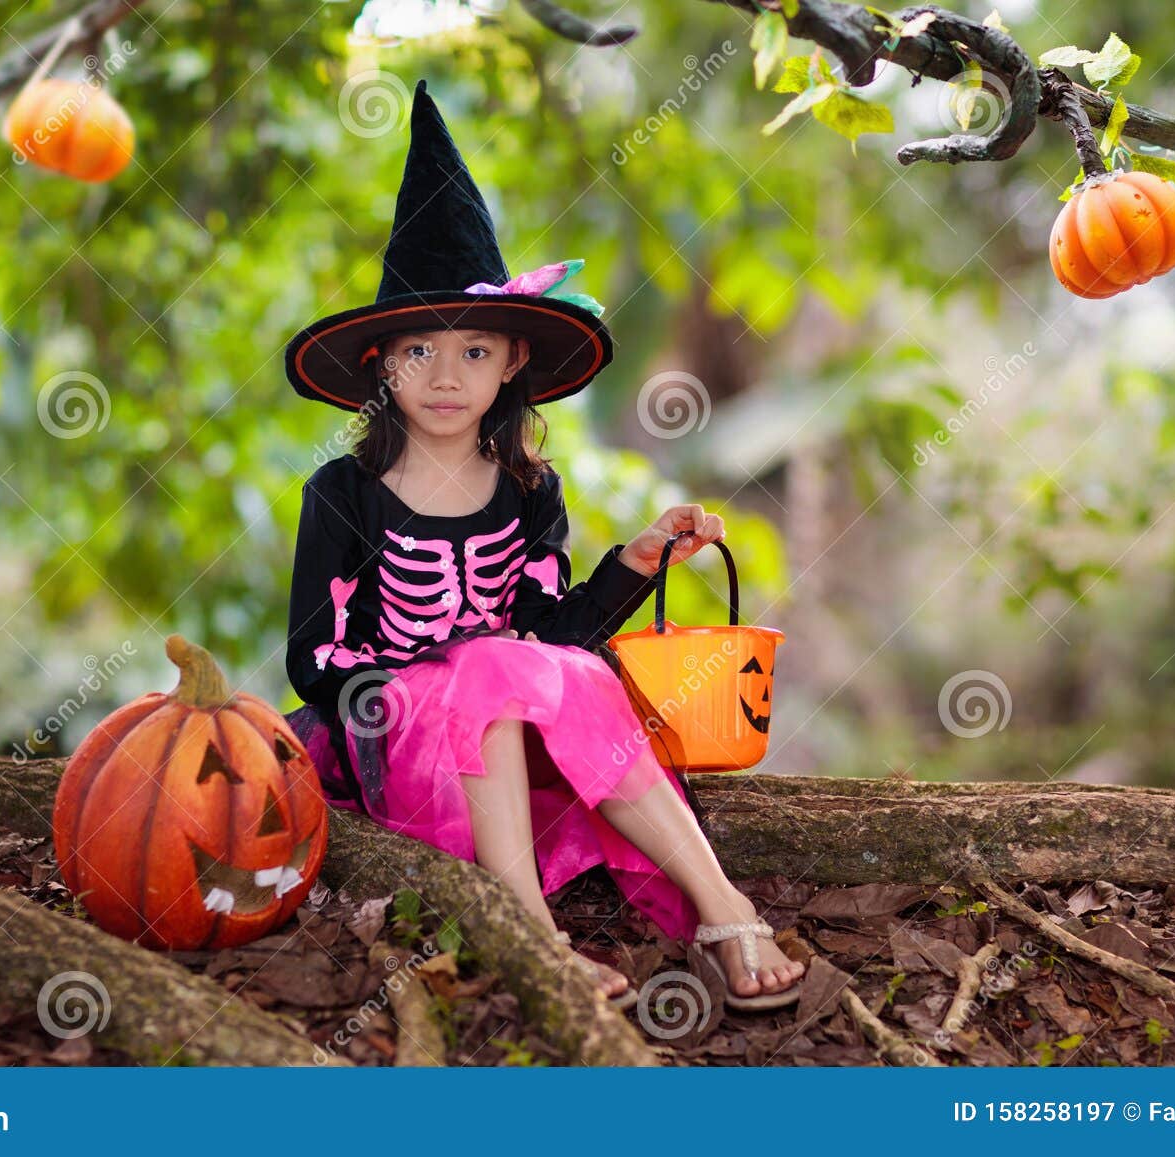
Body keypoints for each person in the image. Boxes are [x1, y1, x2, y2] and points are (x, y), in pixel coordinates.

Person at [279, 78, 801, 1012]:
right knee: (486, 665)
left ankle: (722, 903)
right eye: (420, 352)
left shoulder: (531, 491)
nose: (446, 375)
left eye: (475, 351)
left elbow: (551, 635)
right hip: (398, 745)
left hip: (512, 747)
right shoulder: (344, 495)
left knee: (577, 674)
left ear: (514, 361)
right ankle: (528, 925)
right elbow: (313, 660)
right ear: (382, 362)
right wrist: (428, 677)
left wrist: (637, 562)